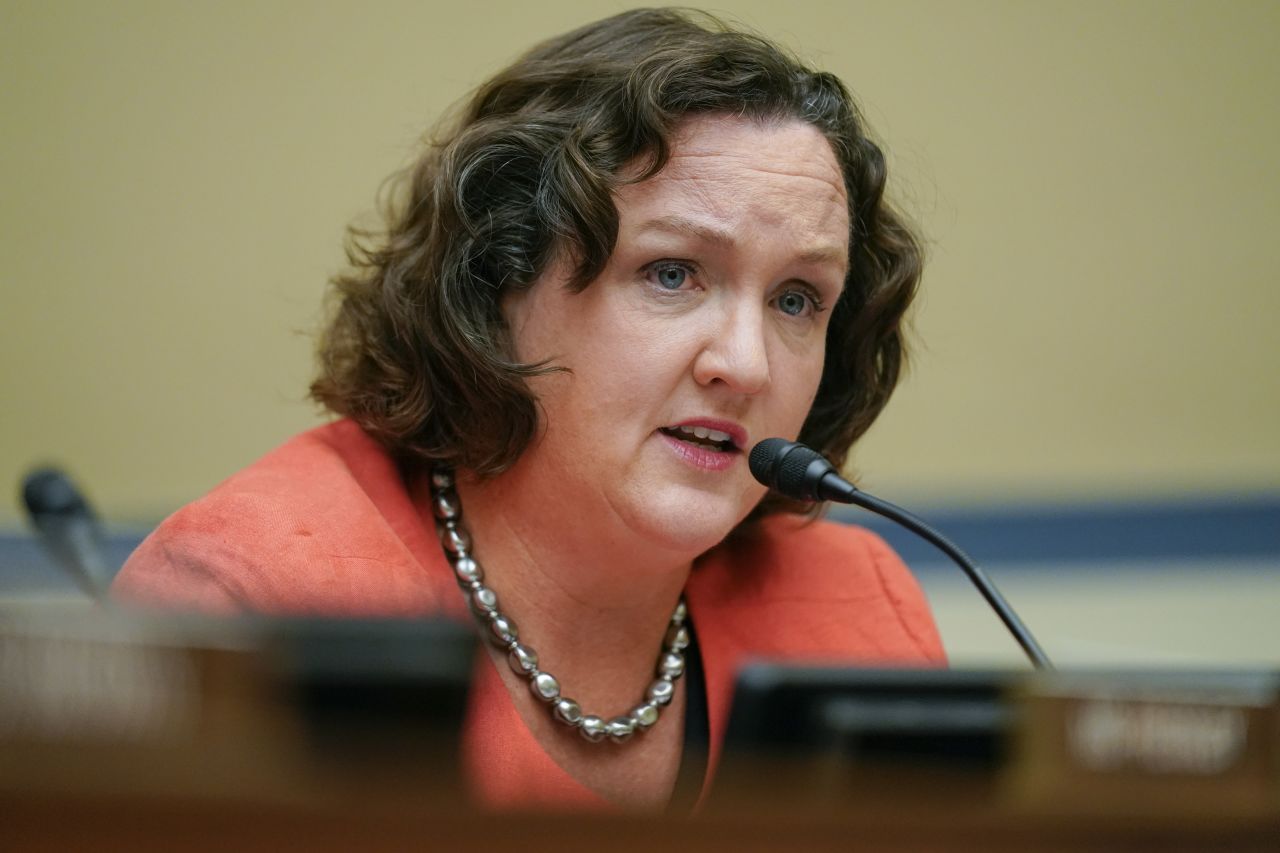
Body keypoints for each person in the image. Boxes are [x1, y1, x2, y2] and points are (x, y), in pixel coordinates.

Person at [113, 8, 944, 812]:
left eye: (798, 299)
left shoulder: (857, 615)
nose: (746, 364)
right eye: (671, 273)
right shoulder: (253, 599)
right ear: (498, 281)